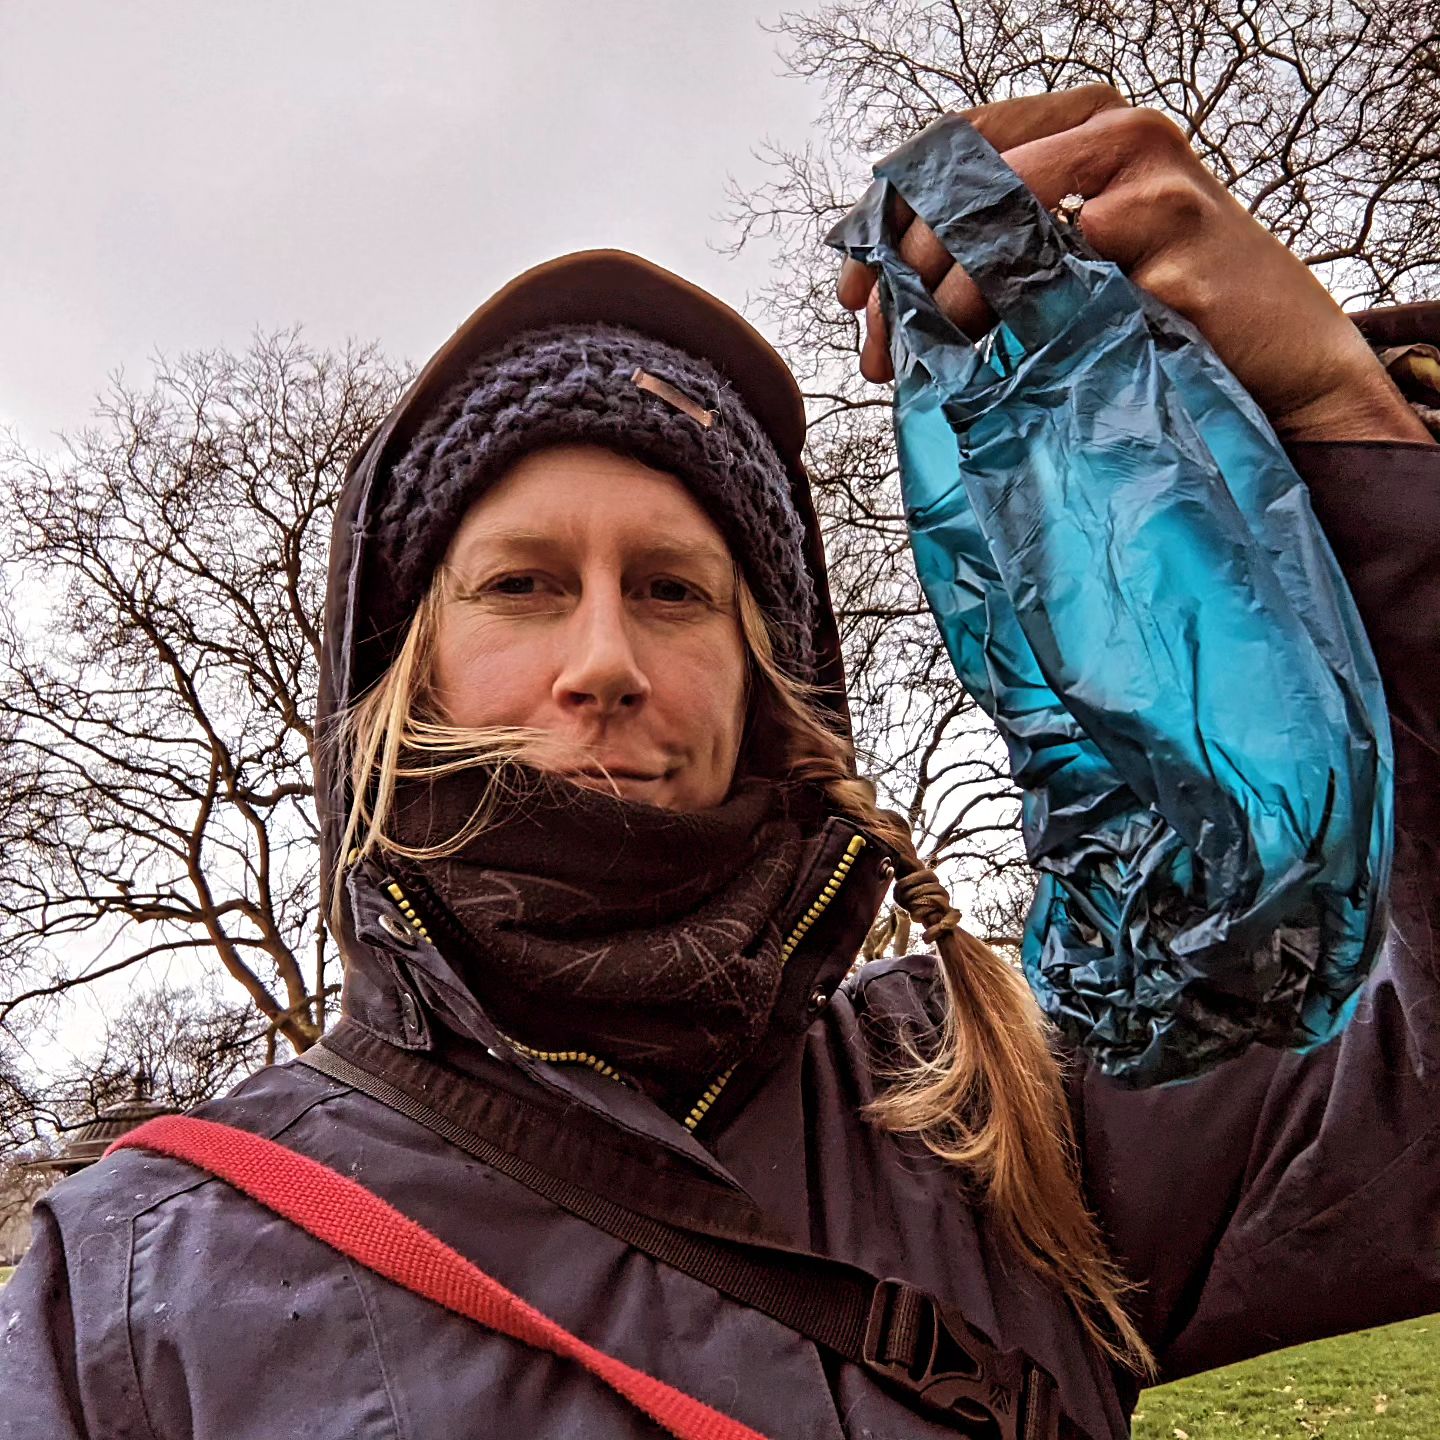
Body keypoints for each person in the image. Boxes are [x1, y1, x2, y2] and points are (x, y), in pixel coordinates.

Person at [2, 86, 1436, 1440]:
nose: (608, 659)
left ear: (774, 681)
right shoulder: (132, 1279)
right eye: (522, 585)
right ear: (396, 680)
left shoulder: (1014, 1105)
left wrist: (1345, 420)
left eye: (677, 590)